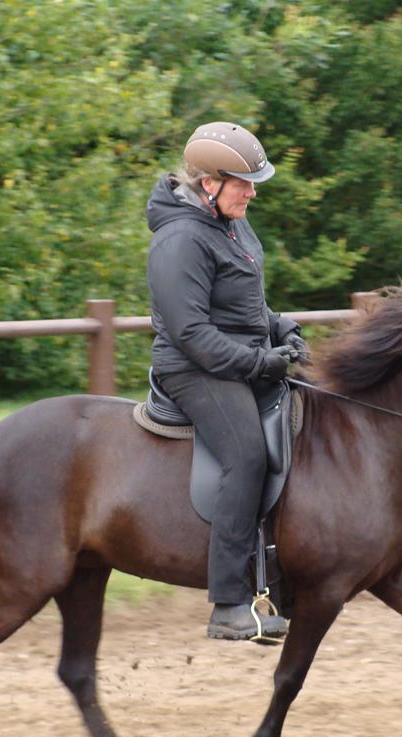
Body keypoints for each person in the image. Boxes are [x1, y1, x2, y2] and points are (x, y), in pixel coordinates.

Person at [146, 121, 309, 642]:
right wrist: (259, 363)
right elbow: (191, 332)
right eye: (244, 182)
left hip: (239, 356)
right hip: (194, 370)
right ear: (209, 183)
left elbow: (245, 301)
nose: (253, 191)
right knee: (248, 454)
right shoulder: (180, 239)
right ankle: (230, 603)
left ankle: (281, 573)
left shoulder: (231, 224)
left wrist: (281, 327)